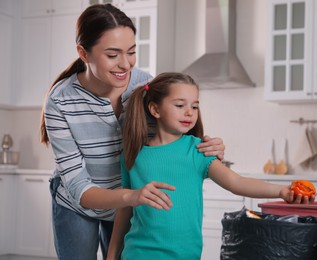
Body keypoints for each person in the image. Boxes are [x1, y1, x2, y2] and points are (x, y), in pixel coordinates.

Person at [39, 4, 225, 260]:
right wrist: (130, 196)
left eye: (132, 52)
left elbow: (168, 136)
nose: (125, 64)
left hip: (130, 203)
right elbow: (79, 187)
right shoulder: (60, 100)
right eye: (113, 55)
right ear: (84, 52)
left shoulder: (144, 85)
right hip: (79, 204)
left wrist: (207, 147)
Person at [107, 72, 315, 259]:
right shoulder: (133, 155)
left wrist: (281, 191)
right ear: (155, 109)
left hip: (187, 255)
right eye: (180, 105)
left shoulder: (198, 150)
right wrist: (112, 255)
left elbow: (236, 182)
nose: (190, 112)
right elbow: (125, 209)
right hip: (139, 254)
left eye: (195, 106)